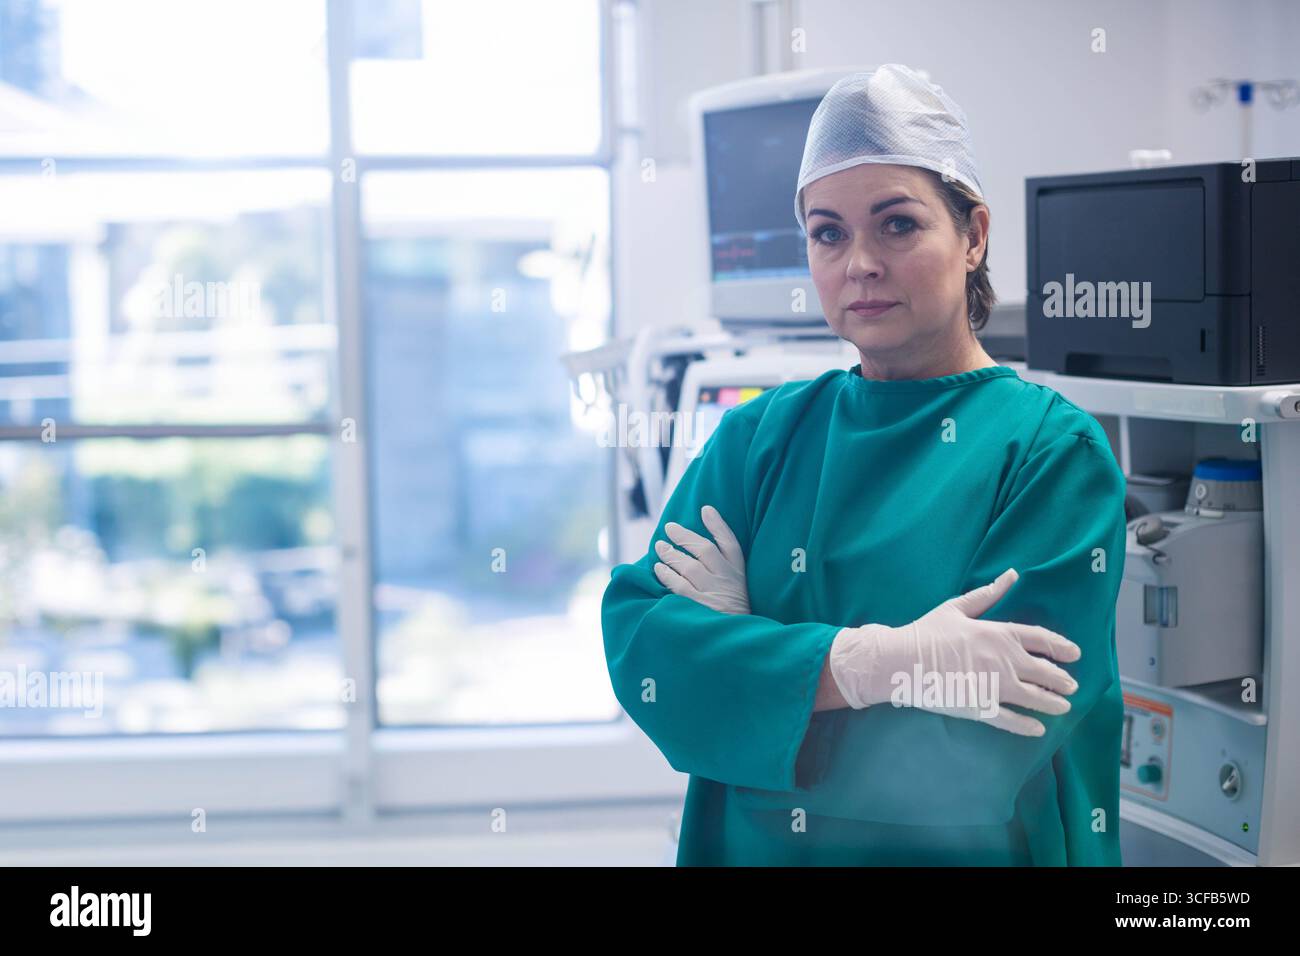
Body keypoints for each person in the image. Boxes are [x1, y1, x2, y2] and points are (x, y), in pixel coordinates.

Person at [601, 64, 1127, 866]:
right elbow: (647, 658)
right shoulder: (758, 439)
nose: (860, 264)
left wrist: (750, 667)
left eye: (898, 224)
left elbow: (965, 768)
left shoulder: (1053, 456)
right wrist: (880, 665)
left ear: (974, 234)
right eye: (828, 232)